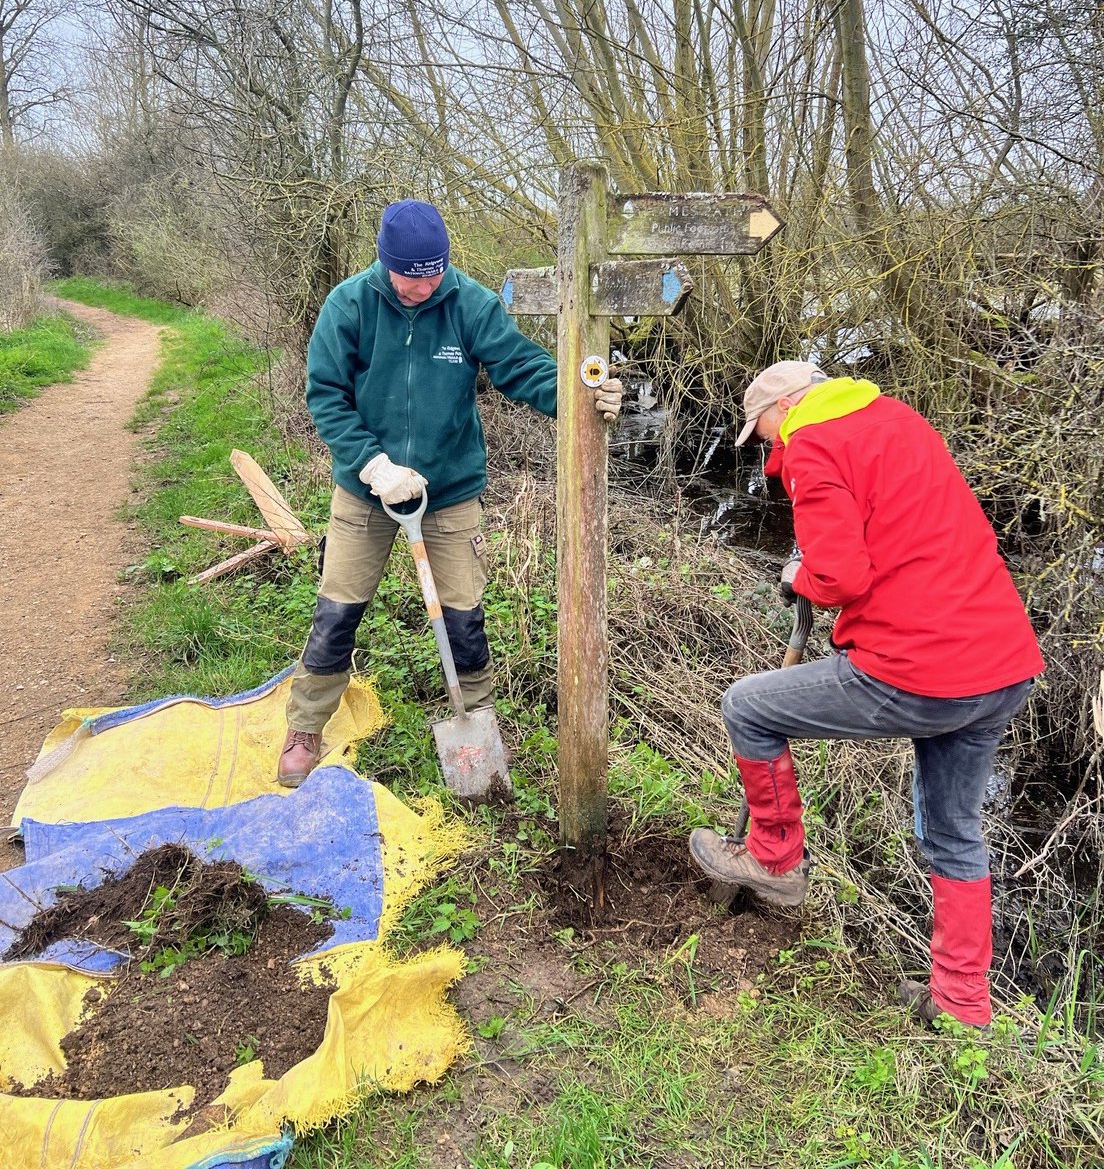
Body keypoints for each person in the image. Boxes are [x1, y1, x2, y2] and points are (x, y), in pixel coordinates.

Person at [689, 360, 1043, 1029]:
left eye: (760, 432)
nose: (764, 448)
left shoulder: (812, 445)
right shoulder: (898, 420)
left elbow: (843, 574)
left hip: (920, 668)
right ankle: (962, 1003)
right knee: (954, 833)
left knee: (748, 706)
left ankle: (772, 858)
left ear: (782, 410)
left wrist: (805, 579)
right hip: (1000, 663)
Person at [278, 199, 623, 786]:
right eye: (412, 276)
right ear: (386, 265)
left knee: (464, 616)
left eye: (434, 273)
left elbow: (521, 367)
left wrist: (580, 398)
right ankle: (306, 725)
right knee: (338, 612)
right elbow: (326, 397)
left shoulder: (469, 304)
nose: (425, 286)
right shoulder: (350, 306)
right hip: (367, 492)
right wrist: (373, 465)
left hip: (449, 492)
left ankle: (477, 720)